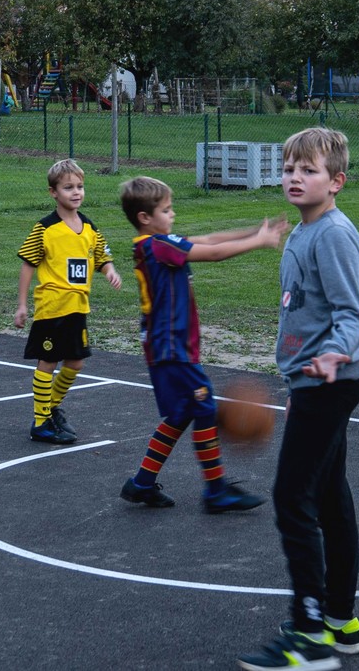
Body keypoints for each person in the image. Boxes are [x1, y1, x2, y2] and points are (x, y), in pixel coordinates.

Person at [238, 128, 359, 671]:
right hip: (313, 384)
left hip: (331, 380)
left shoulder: (333, 235)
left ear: (335, 181)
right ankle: (342, 621)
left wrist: (334, 356)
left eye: (307, 170)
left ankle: (310, 635)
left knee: (293, 499)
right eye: (289, 167)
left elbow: (350, 314)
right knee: (330, 496)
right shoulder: (302, 231)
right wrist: (300, 381)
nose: (294, 176)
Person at [117, 175, 286, 514]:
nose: (173, 214)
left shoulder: (160, 242)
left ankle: (141, 483)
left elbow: (209, 238)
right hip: (172, 348)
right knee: (205, 407)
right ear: (144, 219)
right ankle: (215, 491)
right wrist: (259, 243)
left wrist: (254, 231)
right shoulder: (157, 246)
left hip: (168, 347)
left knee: (181, 414)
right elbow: (213, 253)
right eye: (166, 209)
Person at [15, 159, 123, 445]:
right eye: (68, 188)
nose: (76, 192)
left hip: (78, 307)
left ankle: (51, 408)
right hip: (52, 306)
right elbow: (28, 263)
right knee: (48, 360)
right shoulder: (45, 228)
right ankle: (41, 423)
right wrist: (22, 304)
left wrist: (110, 270)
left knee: (75, 362)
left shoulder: (89, 227)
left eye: (80, 186)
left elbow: (102, 256)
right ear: (53, 193)